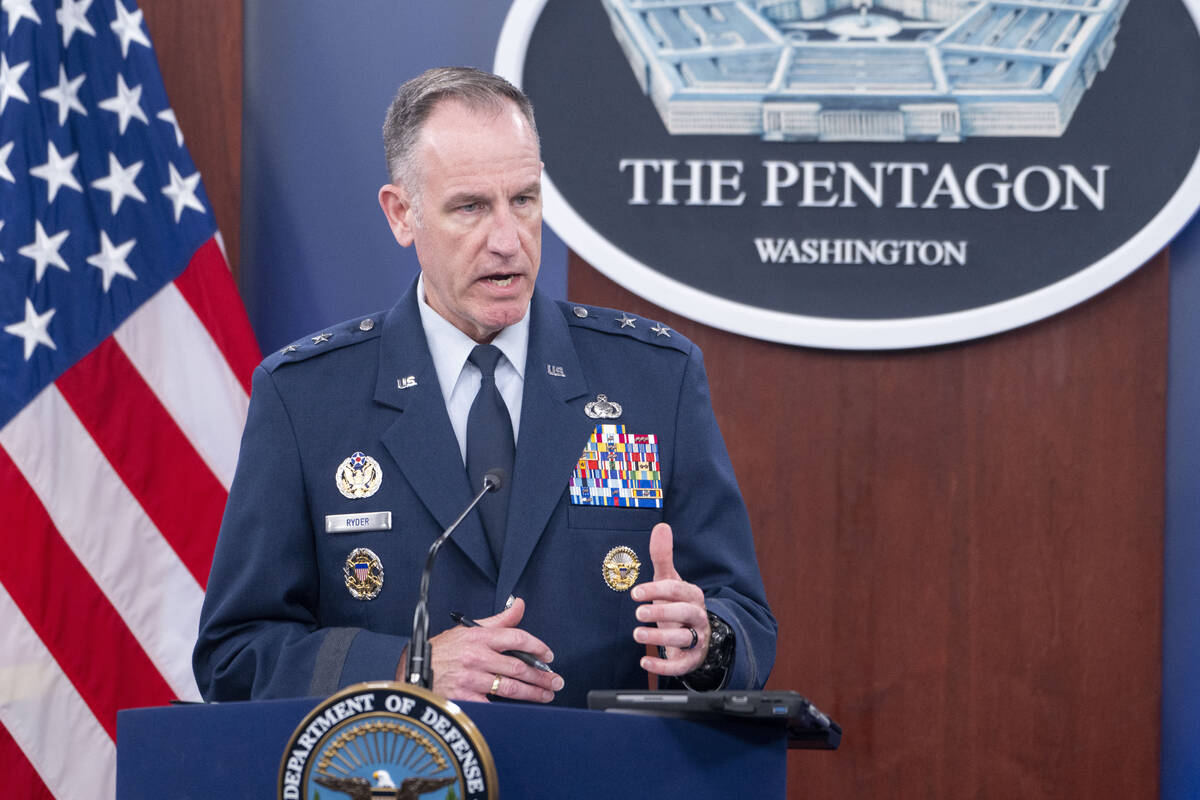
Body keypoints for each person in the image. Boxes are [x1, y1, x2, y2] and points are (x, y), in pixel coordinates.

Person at [193, 67, 776, 708]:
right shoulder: (305, 397)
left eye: (523, 201)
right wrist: (402, 669)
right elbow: (235, 654)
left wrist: (705, 641)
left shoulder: (653, 379)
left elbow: (743, 619)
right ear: (401, 214)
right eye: (471, 207)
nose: (507, 240)